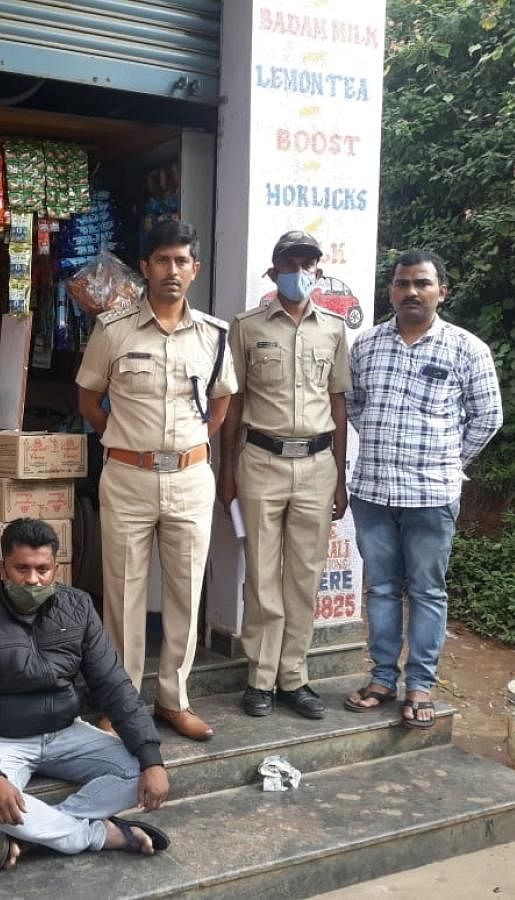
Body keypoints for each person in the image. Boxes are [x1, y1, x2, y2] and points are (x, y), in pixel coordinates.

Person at [75, 219, 236, 742]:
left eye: (182, 260)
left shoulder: (214, 335)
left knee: (186, 591)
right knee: (121, 594)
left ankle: (173, 699)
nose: (173, 270)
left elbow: (221, 402)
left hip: (190, 478)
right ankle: (121, 704)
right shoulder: (114, 329)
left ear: (195, 269)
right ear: (145, 268)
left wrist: (192, 446)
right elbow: (88, 400)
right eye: (162, 260)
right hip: (127, 478)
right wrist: (125, 439)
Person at [0, 518, 171, 871]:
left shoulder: (78, 608)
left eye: (42, 569)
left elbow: (113, 683)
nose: (32, 579)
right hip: (4, 740)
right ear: (3, 569)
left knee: (141, 771)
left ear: (56, 569)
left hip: (67, 731)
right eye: (21, 568)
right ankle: (101, 835)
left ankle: (32, 834)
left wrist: (151, 757)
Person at [343, 250, 502, 727]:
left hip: (432, 496)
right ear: (391, 291)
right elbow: (354, 404)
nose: (411, 291)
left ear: (441, 292)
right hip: (372, 491)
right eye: (402, 283)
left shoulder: (465, 348)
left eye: (422, 283)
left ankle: (421, 684)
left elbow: (488, 417)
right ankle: (382, 679)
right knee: (382, 589)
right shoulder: (367, 345)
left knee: (428, 592)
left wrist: (448, 461)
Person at [218, 230, 350, 720]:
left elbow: (338, 402)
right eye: (291, 264)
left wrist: (341, 474)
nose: (300, 272)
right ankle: (260, 677)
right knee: (262, 574)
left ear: (317, 270)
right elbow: (232, 405)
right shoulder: (247, 327)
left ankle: (294, 677)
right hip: (261, 461)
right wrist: (225, 470)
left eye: (308, 264)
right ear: (274, 273)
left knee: (303, 576)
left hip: (317, 465)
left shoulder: (334, 329)